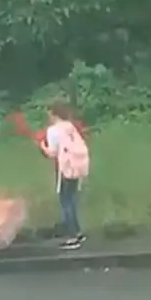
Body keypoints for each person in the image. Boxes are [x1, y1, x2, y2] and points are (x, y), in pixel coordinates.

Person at [40, 99, 90, 249]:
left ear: (53, 113)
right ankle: (78, 232)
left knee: (65, 201)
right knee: (72, 199)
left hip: (66, 168)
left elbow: (52, 153)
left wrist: (43, 146)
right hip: (78, 166)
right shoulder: (70, 126)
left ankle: (73, 235)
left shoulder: (53, 130)